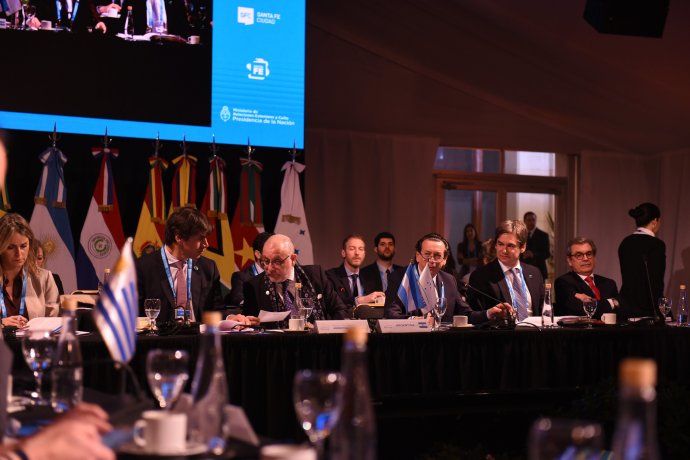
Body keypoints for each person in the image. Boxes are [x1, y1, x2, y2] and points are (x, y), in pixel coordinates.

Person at [136, 206, 258, 325]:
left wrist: (231, 318)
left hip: (197, 337)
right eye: (201, 238)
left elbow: (215, 310)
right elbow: (135, 315)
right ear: (179, 237)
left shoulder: (208, 268)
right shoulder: (143, 268)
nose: (206, 244)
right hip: (159, 337)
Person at [385, 233, 508, 324]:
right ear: (418, 256)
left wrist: (489, 313)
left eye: (437, 256)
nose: (431, 260)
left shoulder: (449, 280)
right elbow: (391, 314)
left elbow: (465, 314)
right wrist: (414, 320)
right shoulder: (401, 277)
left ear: (444, 260)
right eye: (427, 254)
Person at [242, 234, 349, 323]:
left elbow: (340, 310)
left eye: (277, 261)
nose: (269, 268)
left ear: (293, 259)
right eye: (265, 261)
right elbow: (248, 326)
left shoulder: (315, 275)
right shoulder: (253, 286)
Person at [467, 220, 545, 320]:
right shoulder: (481, 276)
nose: (504, 250)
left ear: (523, 247)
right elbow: (471, 316)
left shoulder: (535, 273)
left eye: (510, 246)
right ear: (495, 245)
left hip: (534, 328)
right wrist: (489, 314)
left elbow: (544, 311)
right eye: (500, 244)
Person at [0, 214, 59, 328]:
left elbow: (55, 323)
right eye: (10, 247)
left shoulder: (44, 278)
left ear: (30, 245)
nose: (19, 254)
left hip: (35, 339)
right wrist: (1, 323)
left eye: (23, 246)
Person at [618, 202, 665, 319]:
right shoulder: (657, 245)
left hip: (626, 306)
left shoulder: (625, 242)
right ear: (655, 221)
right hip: (648, 308)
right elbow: (656, 281)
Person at [554, 237, 619, 318]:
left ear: (594, 258)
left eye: (589, 254)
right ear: (570, 261)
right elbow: (581, 311)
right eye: (579, 255)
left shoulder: (609, 283)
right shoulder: (563, 282)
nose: (585, 259)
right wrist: (613, 303)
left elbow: (622, 311)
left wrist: (591, 302)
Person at [326, 235, 385, 317]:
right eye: (352, 249)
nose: (357, 253)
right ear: (343, 253)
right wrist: (360, 300)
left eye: (360, 249)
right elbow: (334, 305)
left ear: (364, 254)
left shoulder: (371, 278)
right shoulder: (331, 276)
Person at [227, 231, 273, 307]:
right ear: (258, 254)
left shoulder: (281, 275)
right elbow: (239, 300)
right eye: (271, 251)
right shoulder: (241, 277)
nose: (275, 255)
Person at [521, 211, 550, 279]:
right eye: (529, 220)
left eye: (533, 220)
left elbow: (547, 254)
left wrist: (533, 254)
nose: (531, 222)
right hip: (524, 270)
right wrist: (522, 255)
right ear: (524, 221)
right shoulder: (520, 235)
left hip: (539, 270)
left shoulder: (543, 235)